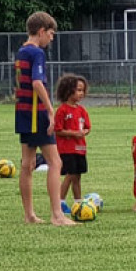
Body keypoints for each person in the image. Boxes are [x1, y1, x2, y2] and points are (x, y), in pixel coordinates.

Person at [14, 12, 77, 226]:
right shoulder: (37, 53)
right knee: (55, 162)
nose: (51, 38)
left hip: (22, 113)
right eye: (50, 34)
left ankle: (29, 215)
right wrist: (51, 111)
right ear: (41, 31)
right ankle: (57, 215)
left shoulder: (21, 51)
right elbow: (37, 83)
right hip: (36, 113)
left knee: (28, 164)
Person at [54, 74, 91, 211]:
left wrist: (84, 132)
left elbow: (87, 127)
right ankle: (60, 201)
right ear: (68, 91)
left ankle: (78, 202)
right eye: (78, 90)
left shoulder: (81, 110)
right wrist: (73, 133)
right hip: (67, 149)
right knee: (70, 174)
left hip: (80, 148)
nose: (81, 93)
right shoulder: (62, 110)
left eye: (83, 90)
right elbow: (58, 130)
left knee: (77, 176)